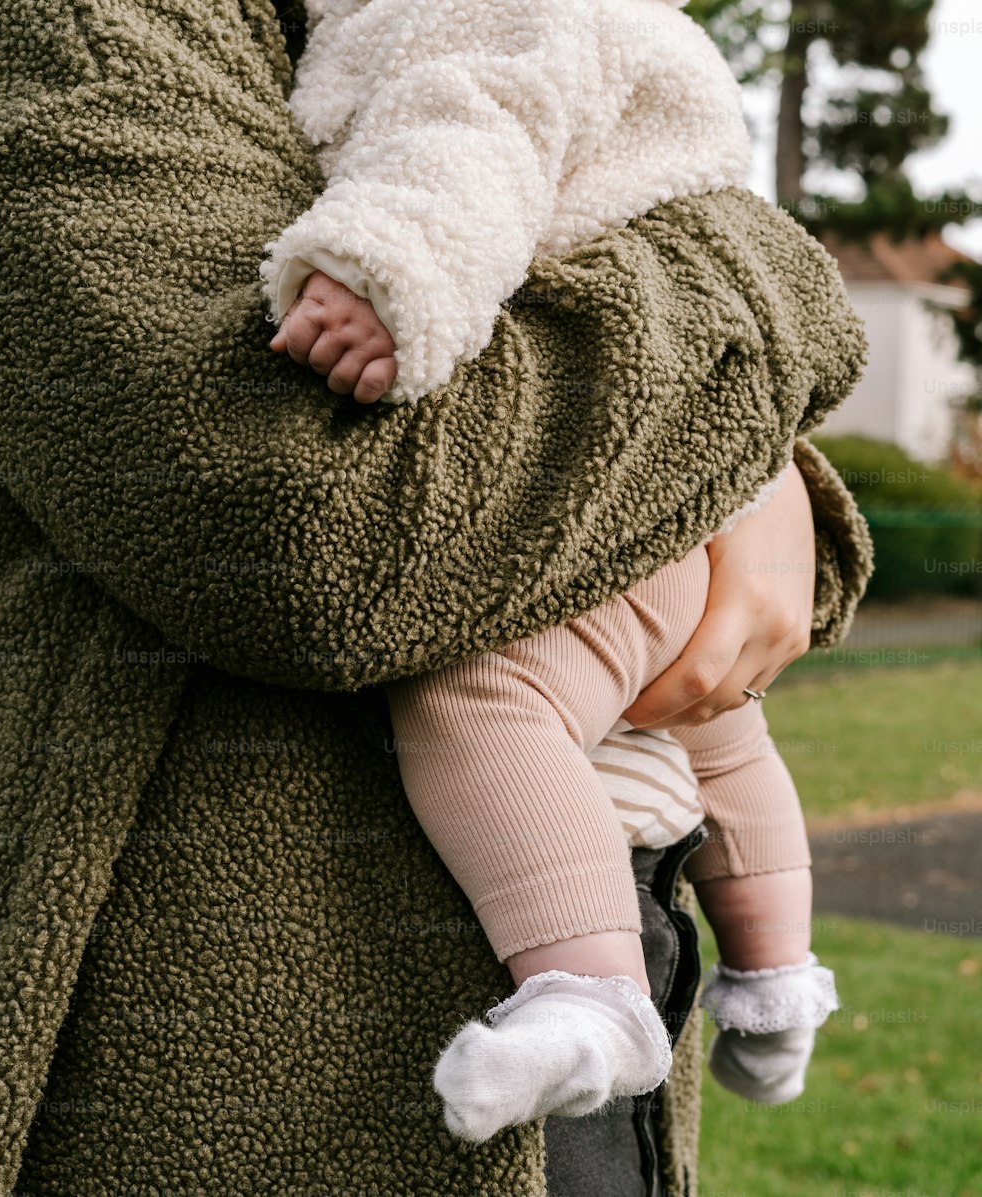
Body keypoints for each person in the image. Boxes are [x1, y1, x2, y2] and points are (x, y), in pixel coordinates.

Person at [262, 0, 840, 1145]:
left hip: (596, 489)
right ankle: (777, 984)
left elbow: (468, 135)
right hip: (696, 481)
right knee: (719, 728)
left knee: (484, 697)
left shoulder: (476, 15)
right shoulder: (627, 29)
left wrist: (384, 278)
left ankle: (587, 991)